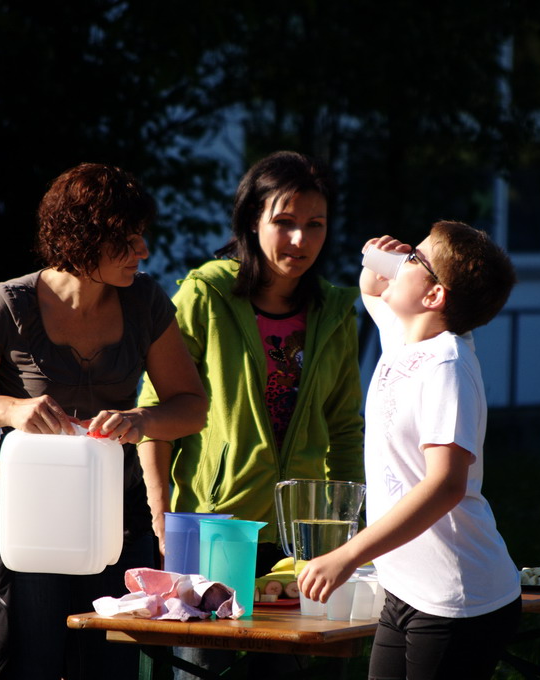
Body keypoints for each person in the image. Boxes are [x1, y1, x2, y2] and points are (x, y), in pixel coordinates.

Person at [0, 162, 207, 680]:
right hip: (28, 512)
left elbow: (192, 406)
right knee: (30, 659)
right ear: (82, 239)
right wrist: (11, 409)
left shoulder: (146, 302)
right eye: (128, 240)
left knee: (112, 660)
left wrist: (139, 420)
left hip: (117, 510)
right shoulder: (9, 305)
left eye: (142, 237)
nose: (143, 252)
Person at [136, 150, 364, 677]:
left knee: (292, 671)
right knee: (201, 669)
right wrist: (161, 516)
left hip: (301, 541)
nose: (300, 240)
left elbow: (346, 427)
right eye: (284, 222)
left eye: (315, 224)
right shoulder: (205, 294)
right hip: (212, 529)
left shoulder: (335, 310)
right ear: (251, 221)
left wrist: (347, 533)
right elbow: (155, 413)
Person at [297, 221, 522, 680]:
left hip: (457, 599)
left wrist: (347, 555)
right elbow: (374, 291)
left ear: (434, 296)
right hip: (406, 589)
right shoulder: (406, 338)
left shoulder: (447, 366)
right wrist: (377, 262)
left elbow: (446, 485)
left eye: (414, 258)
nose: (400, 261)